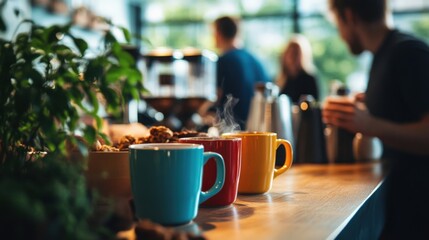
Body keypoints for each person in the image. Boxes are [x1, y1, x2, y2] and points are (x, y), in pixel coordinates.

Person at [322, 0, 429, 238]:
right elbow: (401, 108)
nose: (340, 35)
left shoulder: (407, 52)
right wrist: (367, 103)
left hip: (418, 215)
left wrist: (369, 124)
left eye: (337, 24)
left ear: (349, 16)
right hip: (400, 208)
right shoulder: (386, 54)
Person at [213, 16, 269, 130]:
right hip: (259, 130)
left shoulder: (223, 61)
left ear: (218, 33)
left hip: (232, 130)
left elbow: (216, 96)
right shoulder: (257, 62)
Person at [276, 34, 320, 103]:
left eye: (295, 53)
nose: (292, 57)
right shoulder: (280, 79)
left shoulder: (309, 79)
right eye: (290, 52)